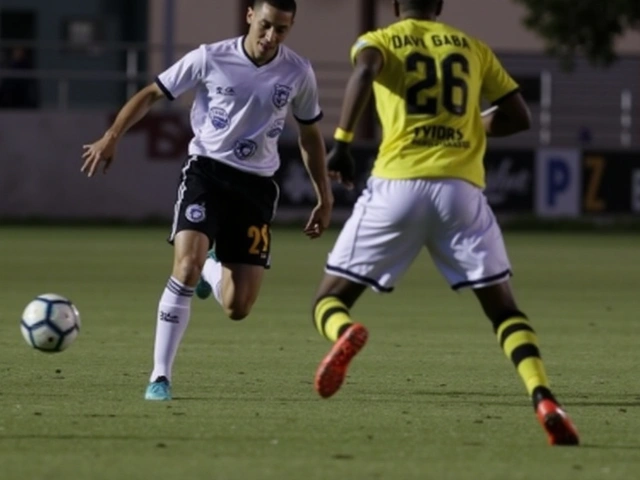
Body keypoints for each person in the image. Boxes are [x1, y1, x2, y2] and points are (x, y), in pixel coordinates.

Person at [310, 0, 579, 446]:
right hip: (460, 190)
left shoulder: (379, 40)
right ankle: (544, 397)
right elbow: (518, 117)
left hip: (397, 186)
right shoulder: (473, 47)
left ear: (396, 5)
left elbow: (364, 72)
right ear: (439, 5)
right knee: (504, 311)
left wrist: (341, 141)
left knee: (328, 300)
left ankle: (346, 332)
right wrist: (474, 123)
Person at [81, 0, 333, 401]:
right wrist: (112, 136)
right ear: (250, 15)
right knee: (185, 265)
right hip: (207, 174)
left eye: (282, 30)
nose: (271, 37)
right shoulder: (209, 57)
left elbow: (309, 135)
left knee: (238, 307)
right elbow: (151, 93)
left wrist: (324, 194)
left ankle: (212, 270)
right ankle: (159, 376)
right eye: (266, 25)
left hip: (256, 189)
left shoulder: (298, 71)